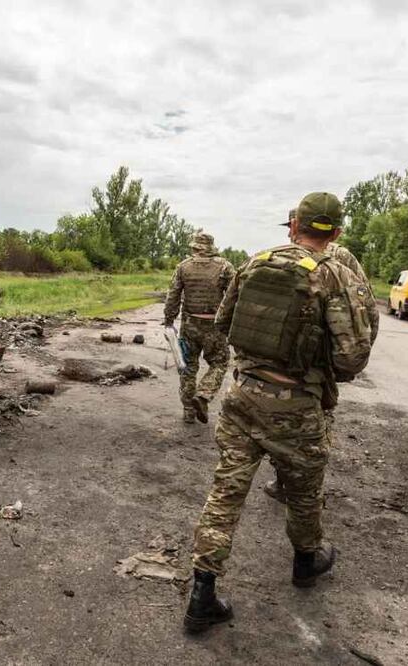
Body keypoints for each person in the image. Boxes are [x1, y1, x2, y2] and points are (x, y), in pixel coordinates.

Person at [184, 192, 375, 634]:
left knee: (226, 492)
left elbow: (224, 324)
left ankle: (202, 594)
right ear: (337, 233)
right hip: (298, 408)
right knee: (304, 493)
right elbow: (351, 359)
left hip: (243, 398)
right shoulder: (335, 276)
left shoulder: (253, 264)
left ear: (294, 226)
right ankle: (306, 564)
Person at [262, 209, 379, 503]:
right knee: (303, 424)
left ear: (296, 225)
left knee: (300, 423)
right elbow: (369, 313)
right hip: (310, 362)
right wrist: (349, 363)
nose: (289, 232)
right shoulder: (329, 257)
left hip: (301, 361)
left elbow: (366, 309)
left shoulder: (290, 257)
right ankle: (293, 485)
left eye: (290, 227)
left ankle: (298, 489)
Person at [162, 232, 236, 424]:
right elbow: (235, 296)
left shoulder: (183, 267)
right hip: (215, 326)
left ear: (195, 247)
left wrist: (169, 321)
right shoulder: (225, 267)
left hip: (189, 325)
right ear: (211, 248)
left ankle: (188, 411)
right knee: (219, 363)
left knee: (187, 367)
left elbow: (173, 296)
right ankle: (203, 395)